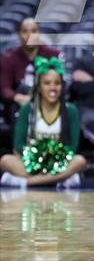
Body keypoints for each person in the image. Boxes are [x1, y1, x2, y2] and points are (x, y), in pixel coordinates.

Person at [0, 56, 86, 188]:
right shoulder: (27, 109)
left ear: (62, 86)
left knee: (80, 161)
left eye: (57, 83)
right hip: (30, 164)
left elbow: (73, 146)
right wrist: (34, 158)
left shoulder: (70, 110)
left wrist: (55, 158)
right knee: (5, 160)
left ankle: (28, 182)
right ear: (39, 86)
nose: (53, 88)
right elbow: (17, 146)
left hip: (60, 163)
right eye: (47, 83)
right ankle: (56, 181)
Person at [0, 18, 62, 123]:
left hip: (48, 103)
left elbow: (61, 84)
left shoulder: (53, 55)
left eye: (34, 31)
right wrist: (19, 98)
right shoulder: (8, 58)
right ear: (19, 34)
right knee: (22, 90)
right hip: (19, 107)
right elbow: (4, 89)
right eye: (25, 31)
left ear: (39, 33)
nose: (30, 35)